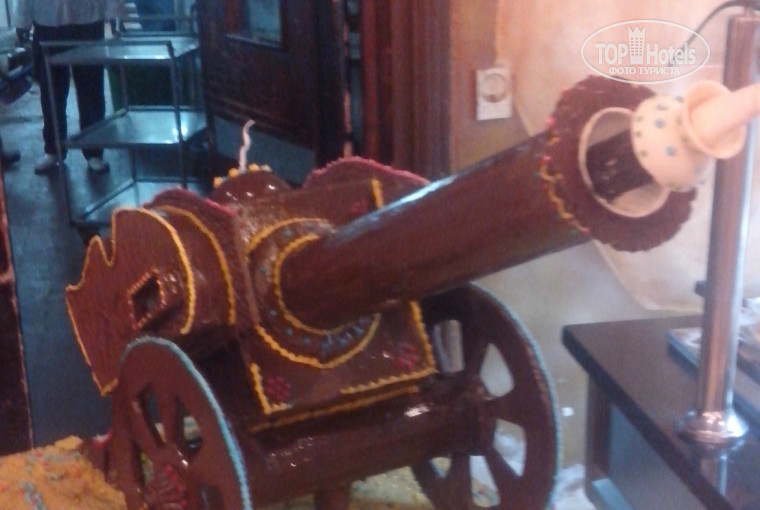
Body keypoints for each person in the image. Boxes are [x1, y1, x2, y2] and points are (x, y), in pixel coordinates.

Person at [14, 0, 124, 175]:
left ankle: (94, 151)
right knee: (51, 91)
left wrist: (114, 12)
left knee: (91, 90)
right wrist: (22, 20)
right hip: (47, 22)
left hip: (87, 20)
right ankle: (53, 149)